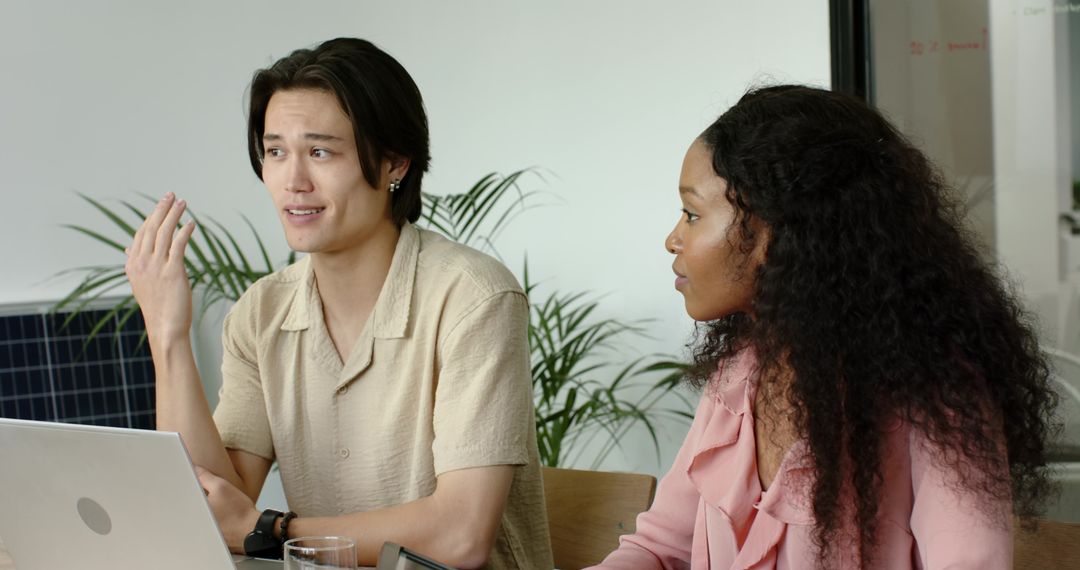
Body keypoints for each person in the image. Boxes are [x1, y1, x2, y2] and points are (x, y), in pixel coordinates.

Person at [124, 38, 552, 569]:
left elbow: (461, 537)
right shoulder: (261, 313)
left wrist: (272, 531)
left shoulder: (473, 296)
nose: (293, 181)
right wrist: (168, 335)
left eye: (321, 151)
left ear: (394, 162)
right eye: (275, 151)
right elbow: (208, 507)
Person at [589, 85, 1057, 569]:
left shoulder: (936, 393)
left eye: (692, 214)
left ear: (775, 233)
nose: (673, 239)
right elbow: (660, 549)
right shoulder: (739, 374)